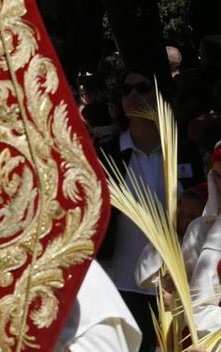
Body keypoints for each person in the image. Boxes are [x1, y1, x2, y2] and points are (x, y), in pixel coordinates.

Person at [97, 69, 168, 352]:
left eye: (141, 87)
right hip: (121, 281)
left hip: (175, 284)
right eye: (126, 90)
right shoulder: (107, 152)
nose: (133, 95)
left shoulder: (180, 150)